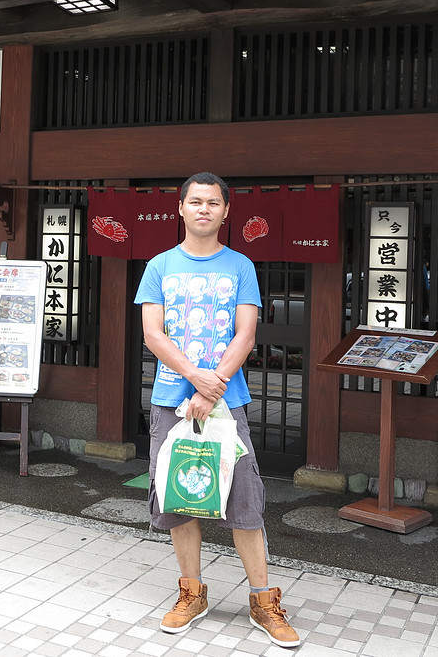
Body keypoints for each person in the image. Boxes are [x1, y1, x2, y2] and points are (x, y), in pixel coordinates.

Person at [134, 172, 301, 648]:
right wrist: (195, 376)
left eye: (213, 202)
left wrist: (212, 389)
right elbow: (153, 333)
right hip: (171, 398)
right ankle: (192, 592)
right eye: (195, 201)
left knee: (244, 499)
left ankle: (263, 600)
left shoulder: (241, 266)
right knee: (178, 498)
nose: (204, 209)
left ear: (227, 211)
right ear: (180, 209)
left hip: (226, 400)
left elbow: (246, 334)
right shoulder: (160, 266)